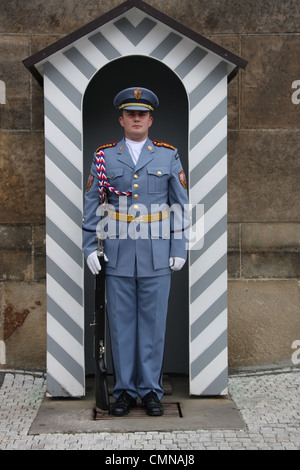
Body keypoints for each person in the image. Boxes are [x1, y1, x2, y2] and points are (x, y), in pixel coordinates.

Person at [82, 87, 189, 417]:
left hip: (158, 253)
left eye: (142, 114)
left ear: (150, 119)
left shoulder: (168, 155)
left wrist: (179, 246)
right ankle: (125, 390)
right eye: (131, 113)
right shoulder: (104, 157)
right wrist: (89, 247)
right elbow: (92, 205)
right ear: (122, 119)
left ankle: (152, 391)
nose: (137, 118)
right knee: (122, 325)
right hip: (118, 255)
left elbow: (180, 207)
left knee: (154, 327)